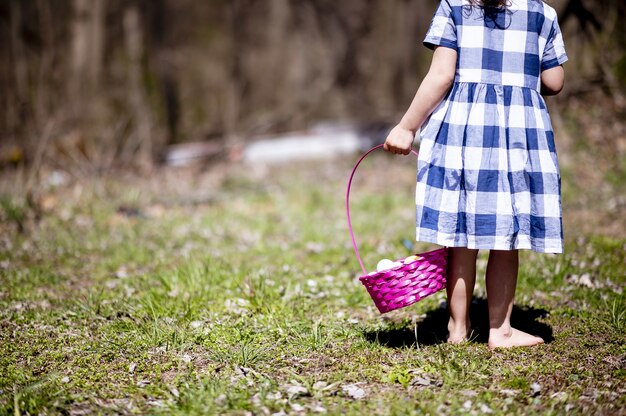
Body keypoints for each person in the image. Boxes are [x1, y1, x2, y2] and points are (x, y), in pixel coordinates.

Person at [383, 0, 567, 348]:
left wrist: (407, 127)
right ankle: (501, 330)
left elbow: (442, 75)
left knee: (462, 234)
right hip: (517, 136)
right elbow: (554, 81)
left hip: (466, 133)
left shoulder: (455, 6)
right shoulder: (542, 13)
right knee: (506, 235)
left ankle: (457, 329)